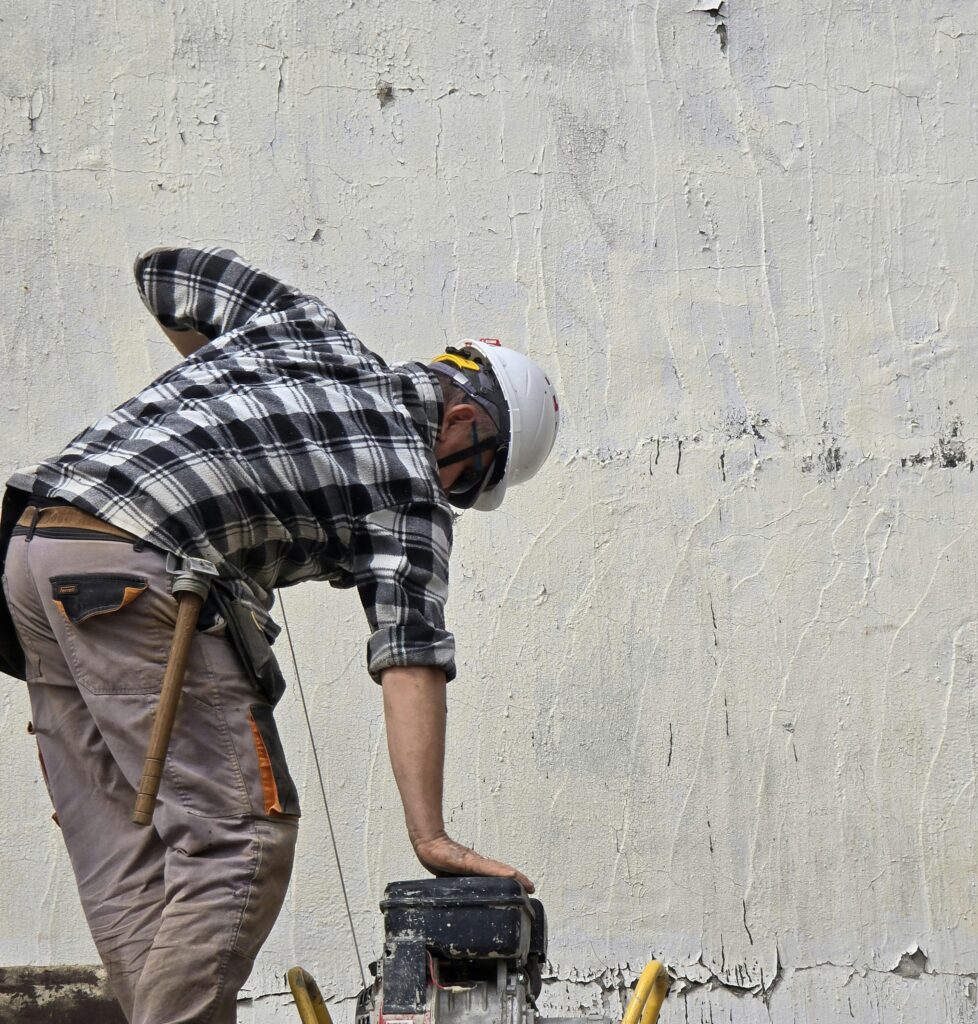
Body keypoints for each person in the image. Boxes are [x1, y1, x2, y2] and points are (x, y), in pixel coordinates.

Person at [0, 246, 560, 1024]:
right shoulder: (411, 488)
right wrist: (429, 837)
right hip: (143, 567)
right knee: (241, 846)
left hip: (35, 552)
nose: (458, 496)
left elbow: (164, 275)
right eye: (473, 476)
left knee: (141, 867)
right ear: (464, 421)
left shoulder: (305, 329)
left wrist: (222, 416)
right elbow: (412, 658)